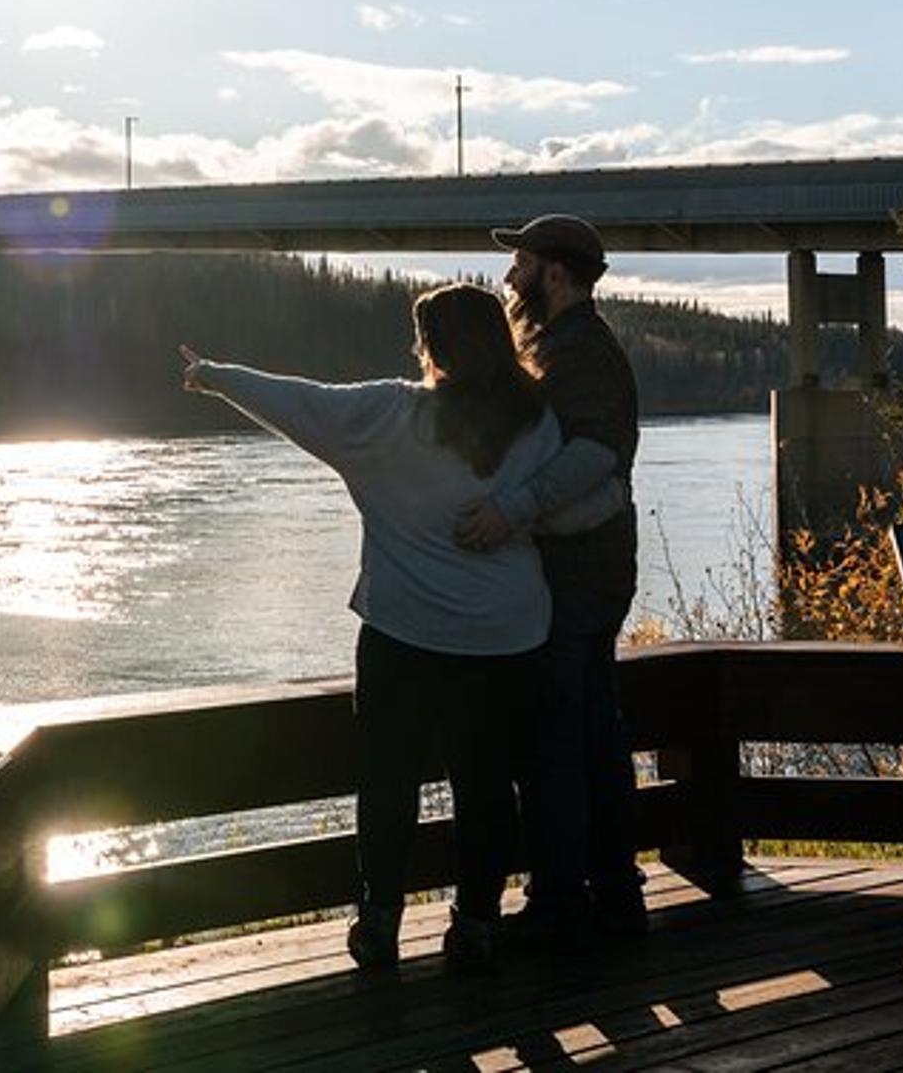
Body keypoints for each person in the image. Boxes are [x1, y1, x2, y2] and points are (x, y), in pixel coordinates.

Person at [181, 283, 618, 975]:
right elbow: (584, 491)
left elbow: (297, 400)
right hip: (504, 638)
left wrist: (215, 376)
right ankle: (477, 922)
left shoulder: (386, 414)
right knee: (486, 785)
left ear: (435, 348)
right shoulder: (535, 420)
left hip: (403, 636)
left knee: (388, 780)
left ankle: (380, 919)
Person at [455, 213, 646, 950]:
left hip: (578, 577)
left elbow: (593, 454)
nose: (509, 277)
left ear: (556, 275)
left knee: (553, 743)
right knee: (595, 733)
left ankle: (563, 901)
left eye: (523, 264)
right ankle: (614, 895)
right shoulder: (565, 345)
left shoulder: (581, 351)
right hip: (592, 570)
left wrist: (511, 508)